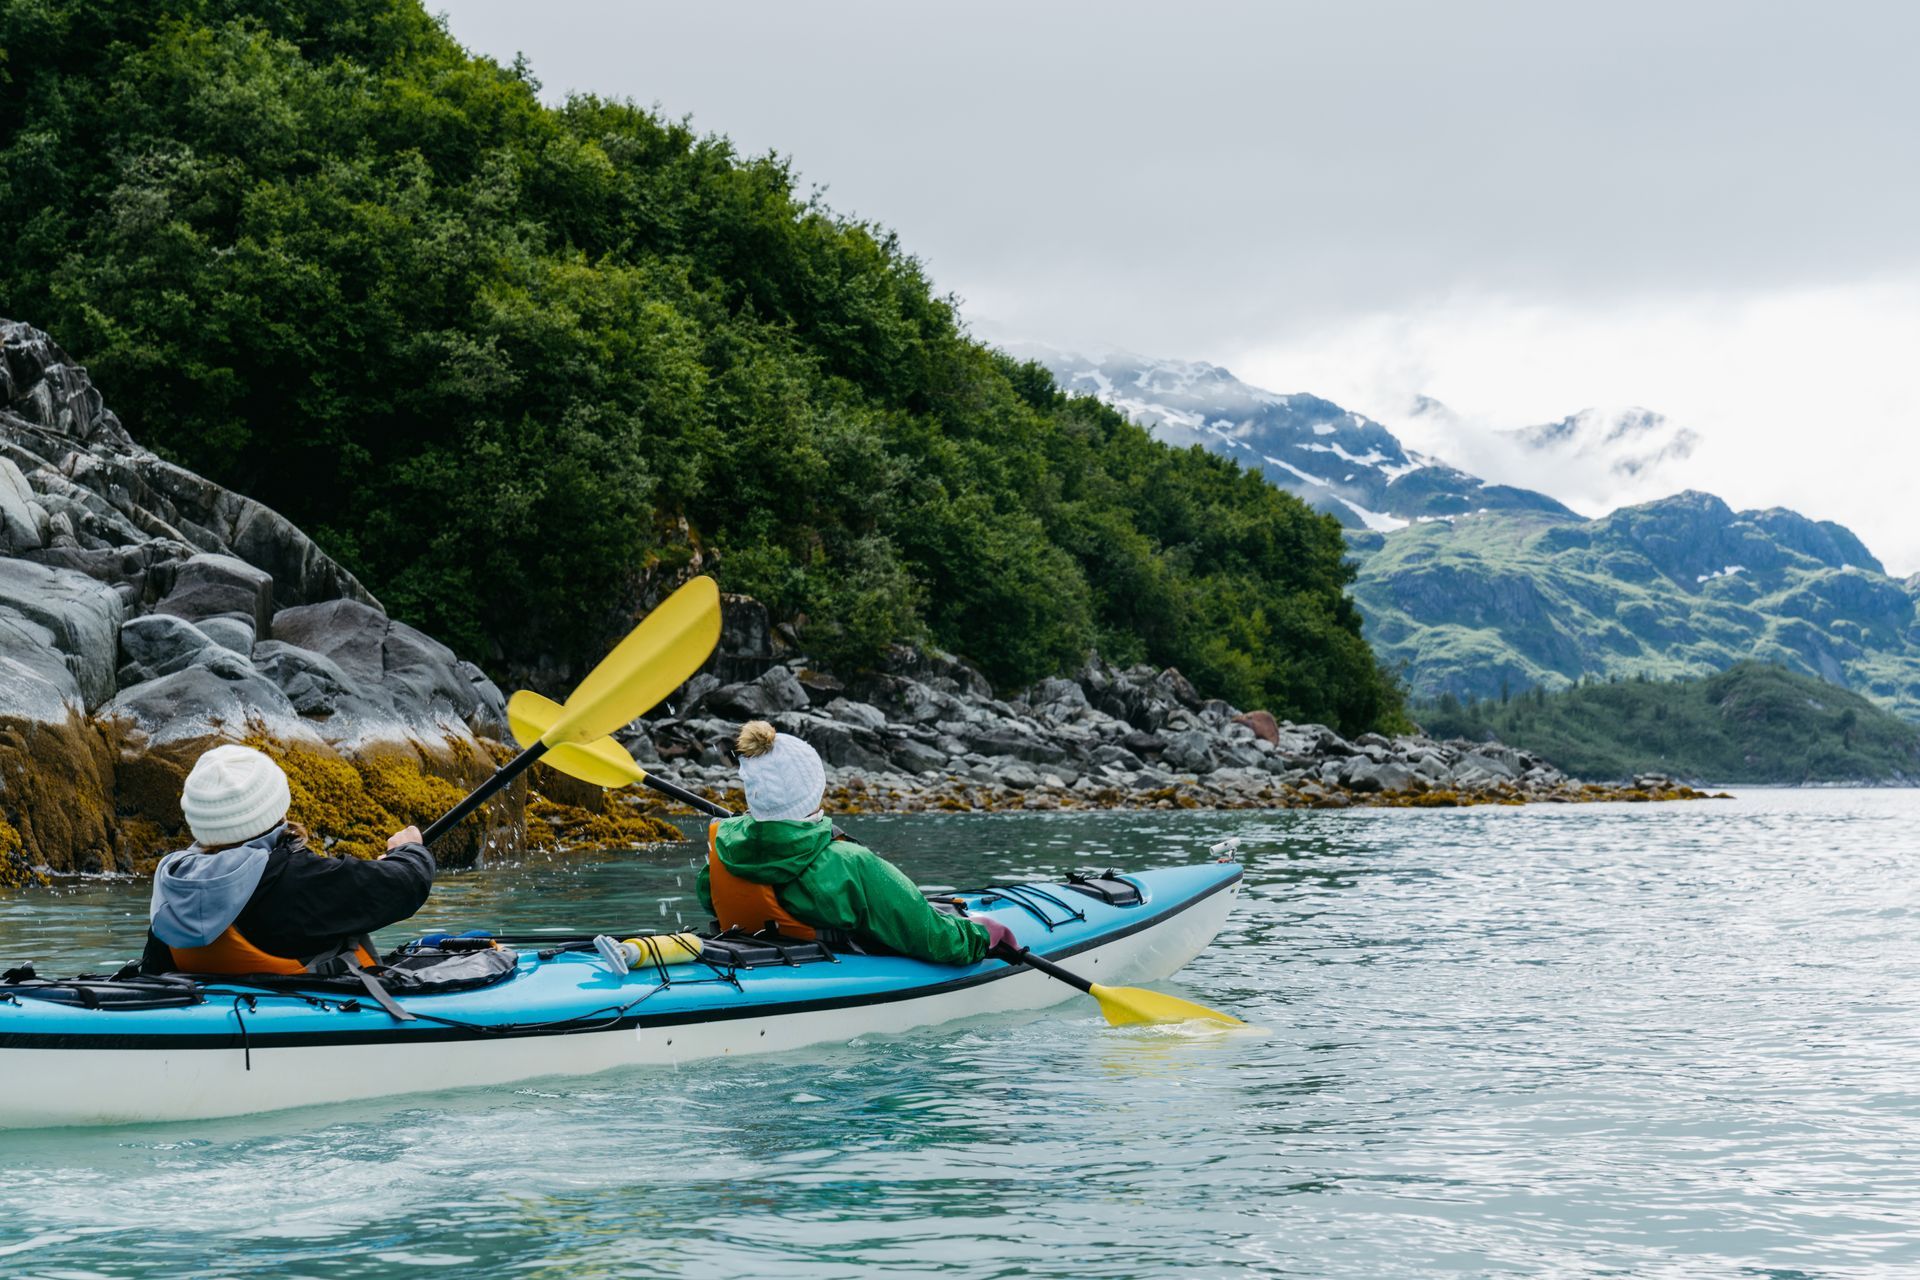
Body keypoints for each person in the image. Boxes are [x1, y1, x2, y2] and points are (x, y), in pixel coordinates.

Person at [698, 721, 1018, 964]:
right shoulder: (851, 863)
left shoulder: (724, 847)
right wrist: (982, 935)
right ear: (815, 788)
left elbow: (708, 897)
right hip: (823, 964)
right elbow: (935, 938)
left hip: (754, 953)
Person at [141, 744, 435, 975]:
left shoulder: (176, 888)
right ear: (277, 807)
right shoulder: (295, 879)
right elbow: (407, 885)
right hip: (308, 1031)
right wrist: (409, 850)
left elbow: (153, 972)